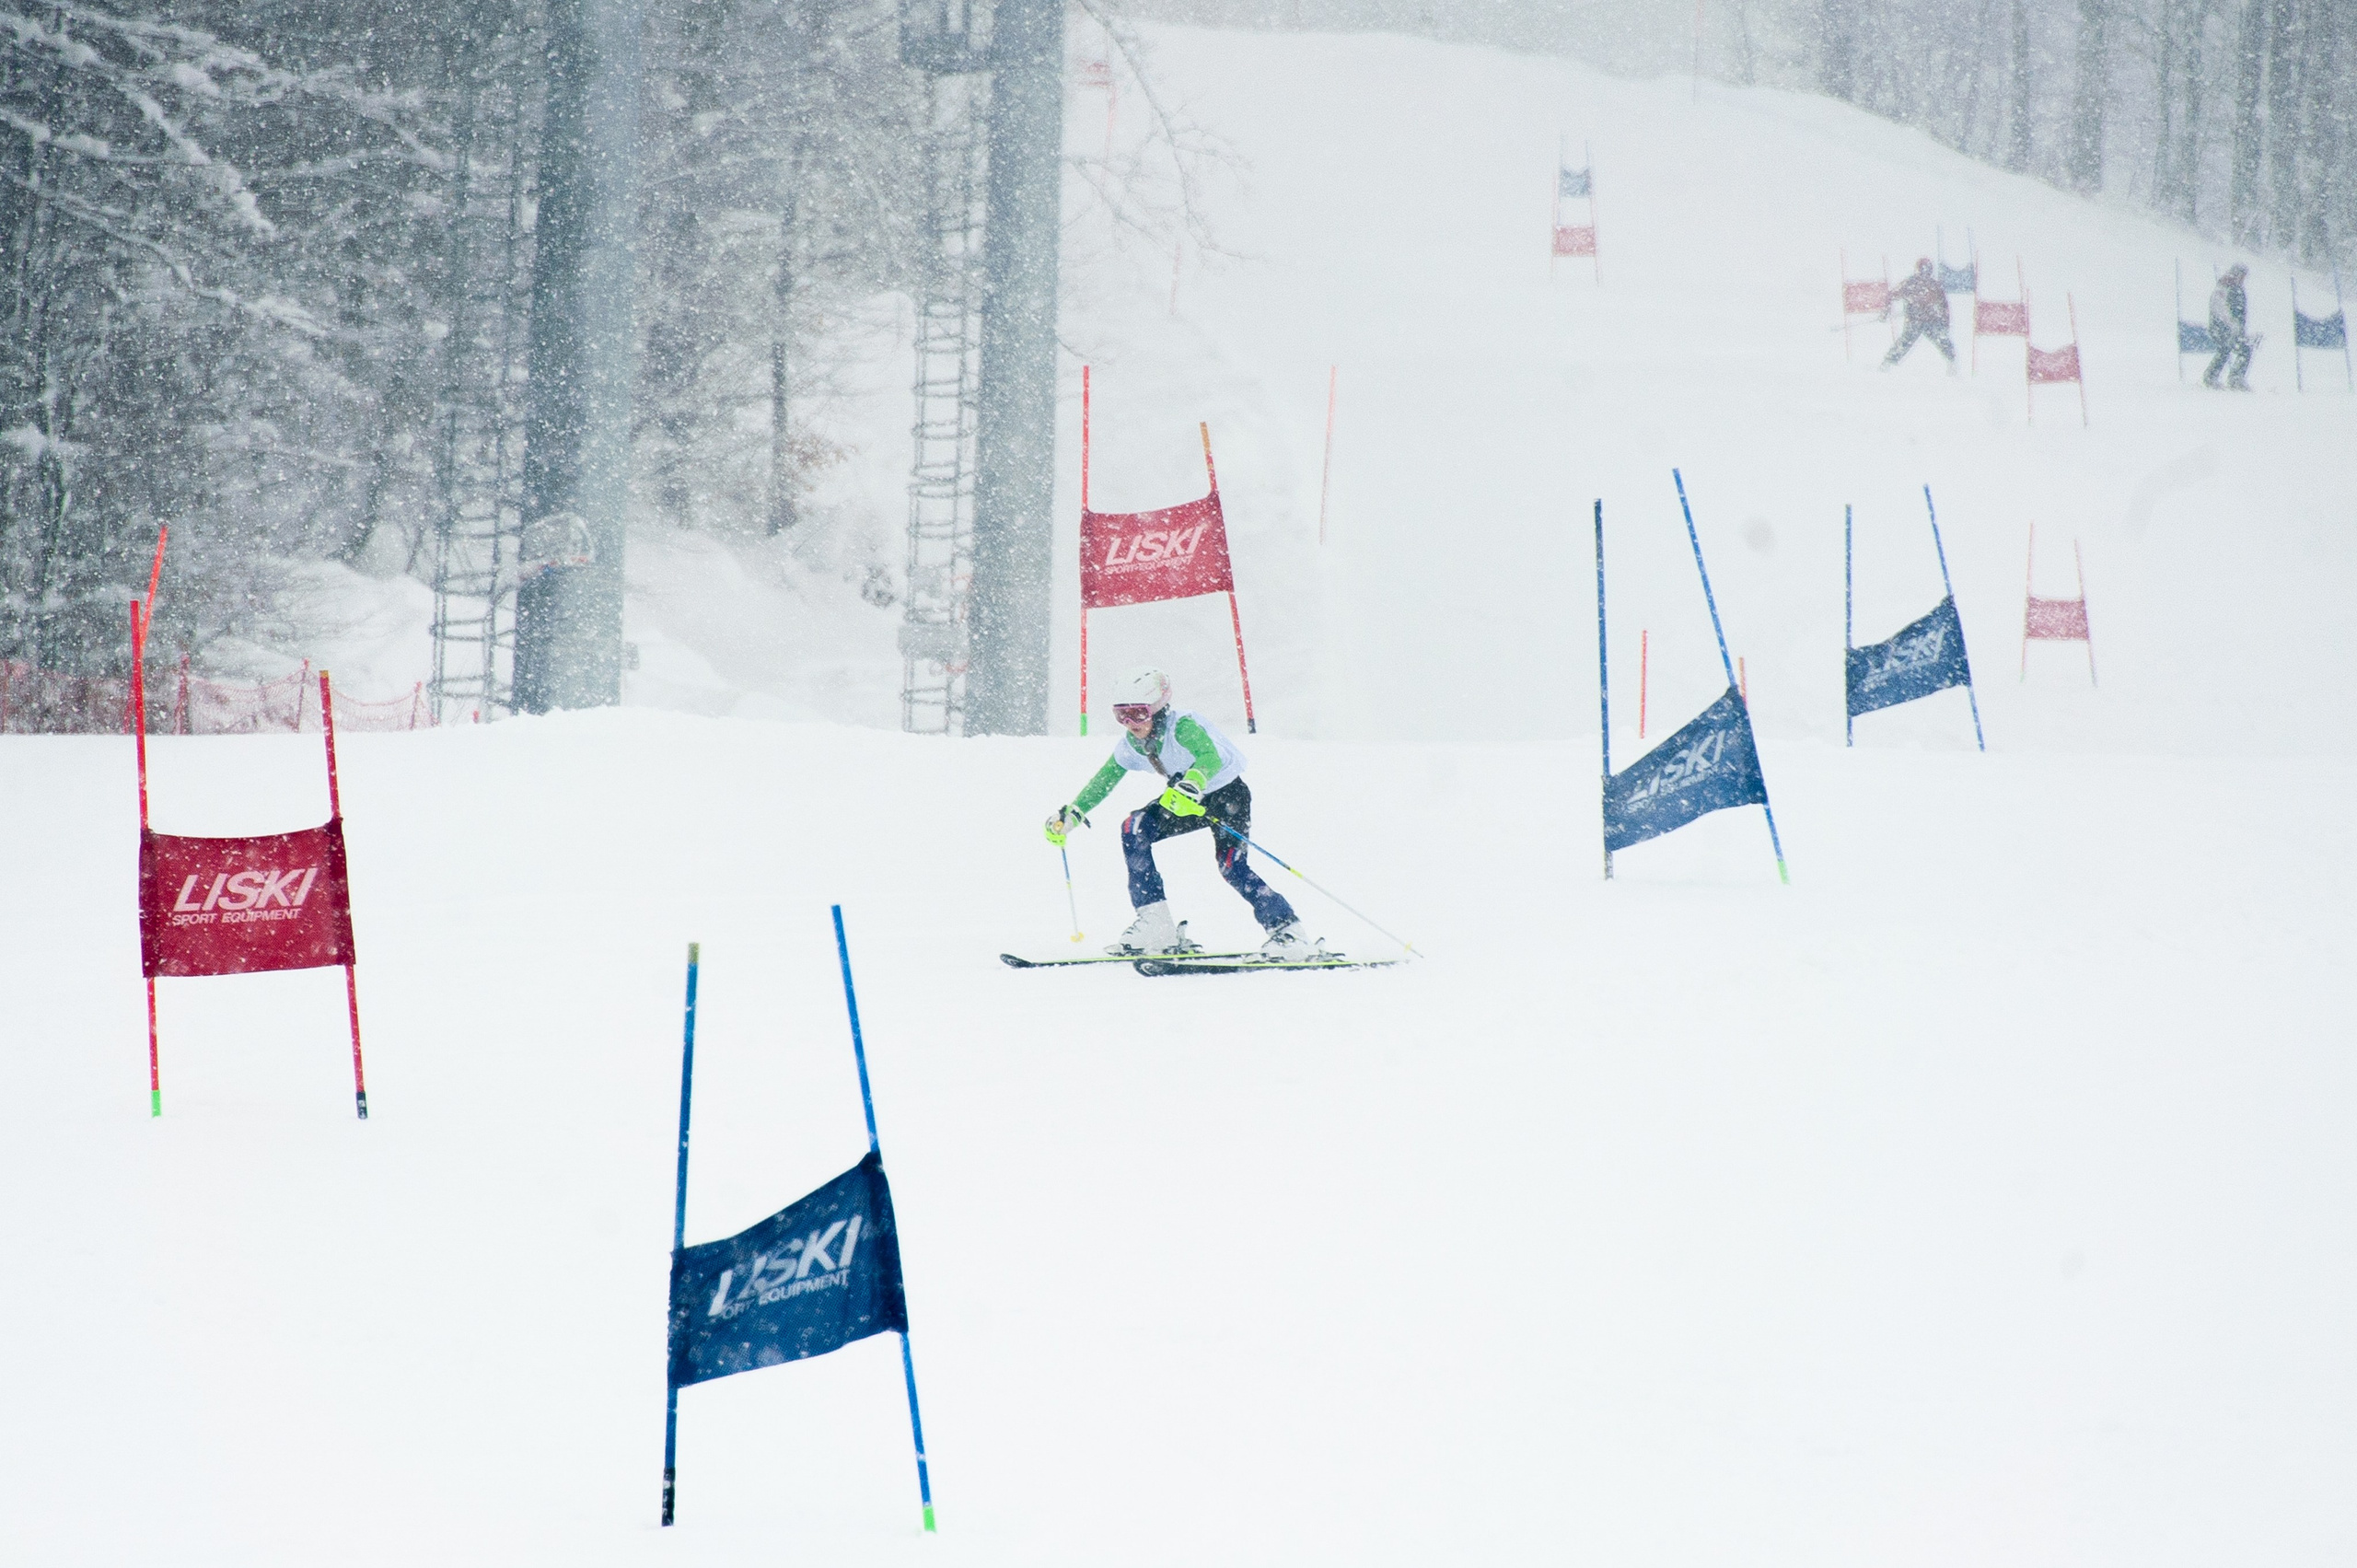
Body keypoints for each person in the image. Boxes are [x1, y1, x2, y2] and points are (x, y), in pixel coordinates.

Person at [1043, 668, 1309, 958]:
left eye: (1138, 713)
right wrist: (1075, 812)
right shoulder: (1133, 743)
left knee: (1232, 867)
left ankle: (1288, 931)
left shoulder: (1181, 727)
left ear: (1157, 710)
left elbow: (1210, 756)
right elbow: (1106, 778)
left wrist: (1193, 782)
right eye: (1122, 715)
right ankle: (1156, 925)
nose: (1130, 723)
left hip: (1227, 796)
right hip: (1183, 800)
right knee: (1135, 826)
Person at [1882, 258, 1956, 372]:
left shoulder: (1928, 285)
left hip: (1927, 320)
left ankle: (1952, 365)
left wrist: (1945, 322)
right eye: (1923, 270)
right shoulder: (1916, 284)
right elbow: (1892, 295)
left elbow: (1944, 306)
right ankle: (1886, 364)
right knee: (1908, 341)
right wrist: (1885, 312)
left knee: (1940, 340)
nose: (1924, 273)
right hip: (1918, 320)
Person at [2205, 264, 2254, 389]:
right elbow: (2221, 310)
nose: (2243, 279)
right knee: (2231, 350)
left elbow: (2240, 311)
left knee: (2232, 350)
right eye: (2242, 276)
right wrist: (2232, 325)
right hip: (2222, 329)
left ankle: (2225, 377)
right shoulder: (2225, 288)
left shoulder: (2235, 289)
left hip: (2231, 329)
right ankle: (2223, 378)